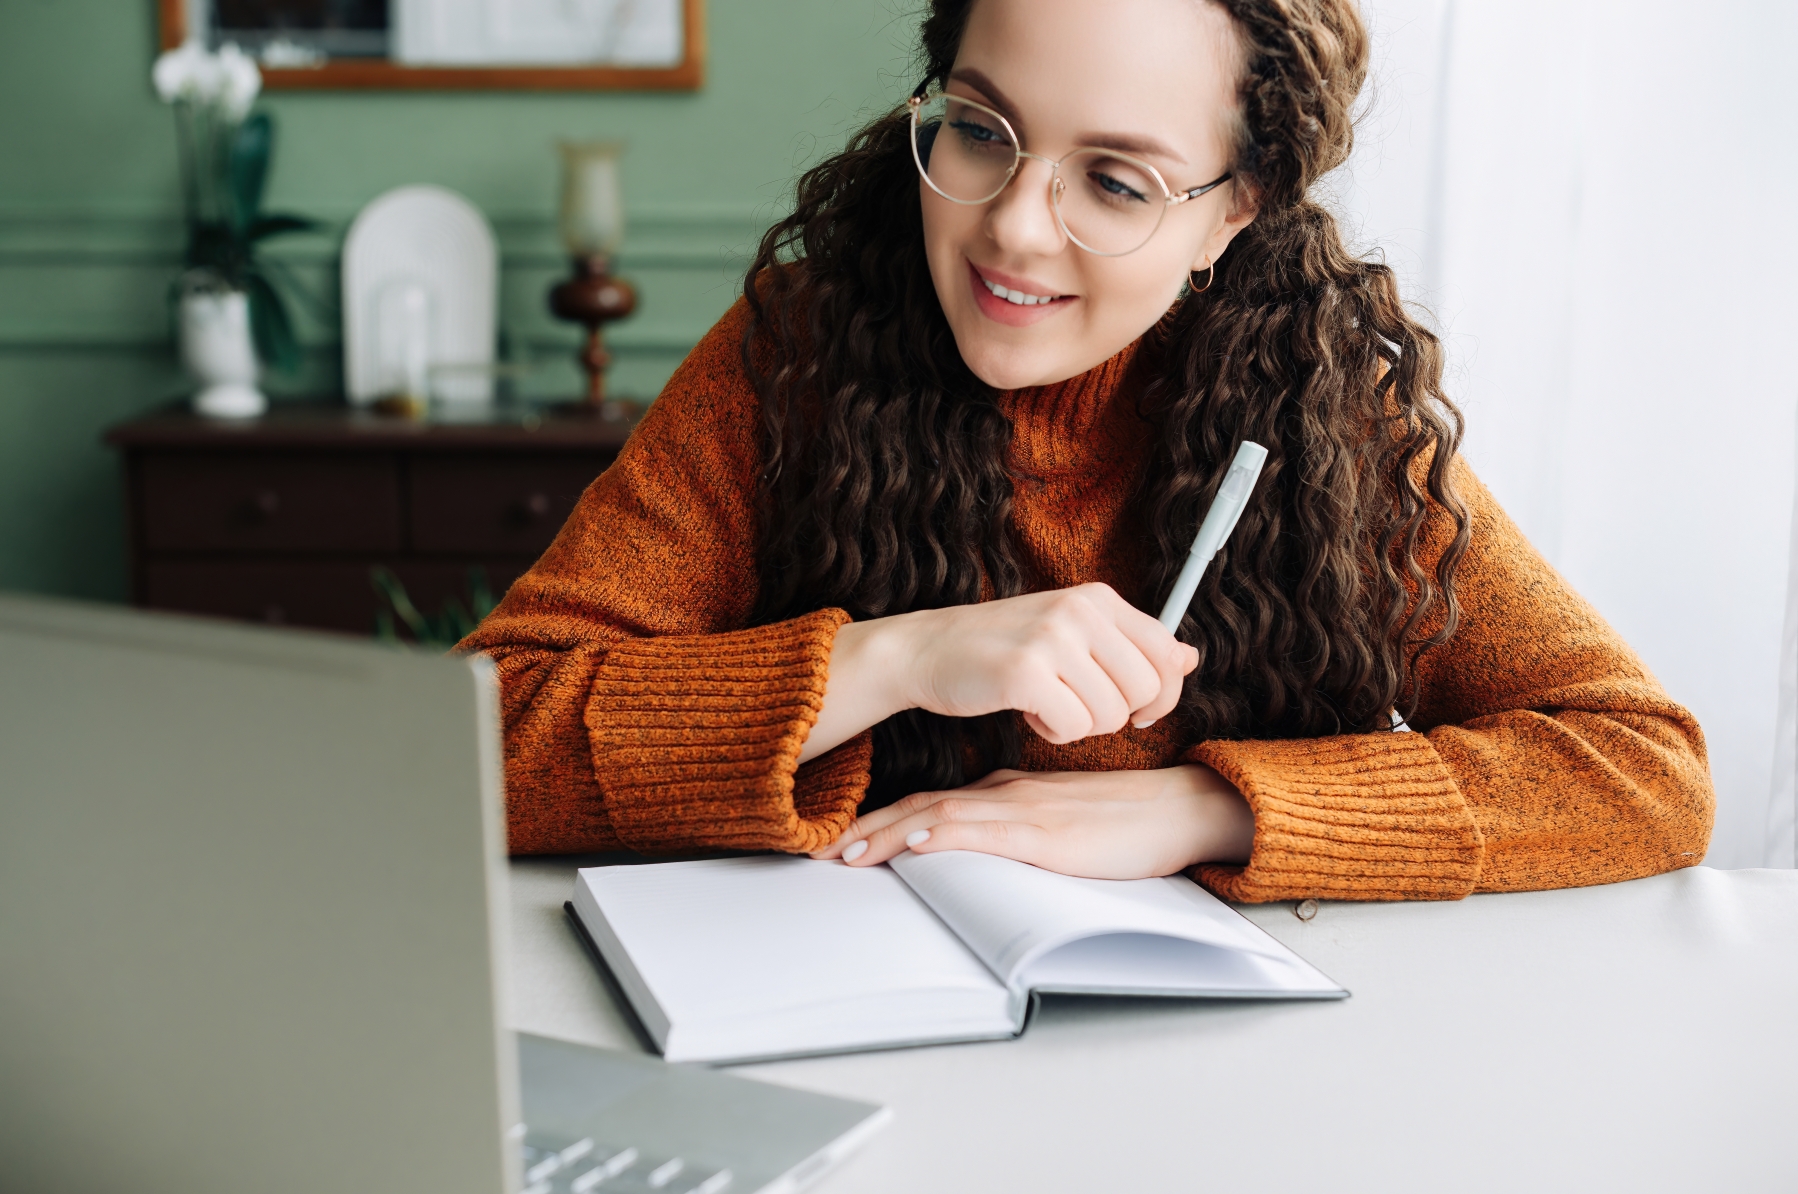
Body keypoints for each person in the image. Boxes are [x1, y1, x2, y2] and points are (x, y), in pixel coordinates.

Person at [460, 0, 1713, 901]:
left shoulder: (1324, 410)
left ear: (1236, 208)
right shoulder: (792, 355)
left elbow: (1639, 767)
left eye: (1113, 183)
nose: (1010, 228)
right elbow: (476, 746)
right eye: (978, 129)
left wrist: (1200, 809)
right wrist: (902, 657)